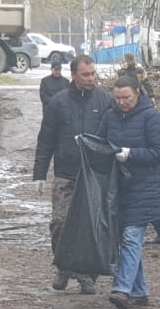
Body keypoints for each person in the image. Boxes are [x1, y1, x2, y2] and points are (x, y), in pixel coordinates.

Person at [33, 54, 113, 294]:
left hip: (94, 176)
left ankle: (87, 274)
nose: (91, 78)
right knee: (60, 222)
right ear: (74, 75)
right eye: (86, 75)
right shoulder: (58, 103)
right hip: (66, 173)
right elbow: (46, 139)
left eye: (93, 74)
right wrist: (39, 173)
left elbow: (114, 136)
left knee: (91, 227)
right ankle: (63, 266)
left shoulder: (105, 100)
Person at [102, 74, 160, 309]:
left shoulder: (152, 118)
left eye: (126, 97)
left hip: (145, 188)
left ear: (137, 94)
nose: (122, 102)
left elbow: (159, 152)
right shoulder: (110, 116)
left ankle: (122, 289)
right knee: (126, 239)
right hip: (118, 188)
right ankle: (140, 291)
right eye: (117, 98)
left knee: (131, 237)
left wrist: (131, 154)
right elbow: (102, 143)